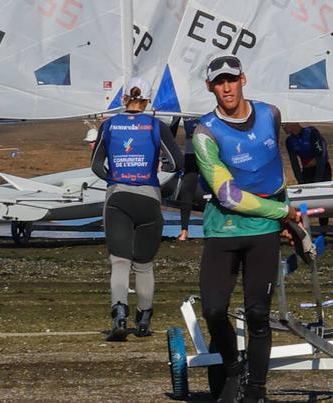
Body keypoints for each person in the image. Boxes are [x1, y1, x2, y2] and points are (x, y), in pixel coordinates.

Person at [194, 55, 301, 403]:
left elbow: (275, 172)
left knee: (258, 314)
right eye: (219, 82)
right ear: (210, 87)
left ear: (243, 79)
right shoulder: (204, 132)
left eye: (231, 79)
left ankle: (255, 390)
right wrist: (282, 212)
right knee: (213, 309)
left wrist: (287, 220)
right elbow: (228, 194)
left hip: (263, 232)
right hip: (223, 229)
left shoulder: (271, 114)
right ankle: (232, 369)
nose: (226, 88)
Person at [91, 77, 182, 341]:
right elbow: (177, 162)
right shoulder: (156, 126)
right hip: (149, 197)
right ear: (147, 100)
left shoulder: (109, 126)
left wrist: (114, 178)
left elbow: (96, 165)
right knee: (144, 265)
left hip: (118, 196)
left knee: (119, 262)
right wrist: (158, 169)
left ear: (123, 98)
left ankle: (119, 315)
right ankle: (143, 321)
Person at [284, 122, 332, 227]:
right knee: (304, 199)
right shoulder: (289, 141)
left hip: (322, 169)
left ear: (292, 123)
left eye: (284, 125)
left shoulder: (312, 133)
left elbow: (321, 157)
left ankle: (324, 227)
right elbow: (294, 163)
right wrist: (300, 180)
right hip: (307, 171)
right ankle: (303, 226)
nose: (283, 128)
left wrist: (318, 181)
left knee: (322, 199)